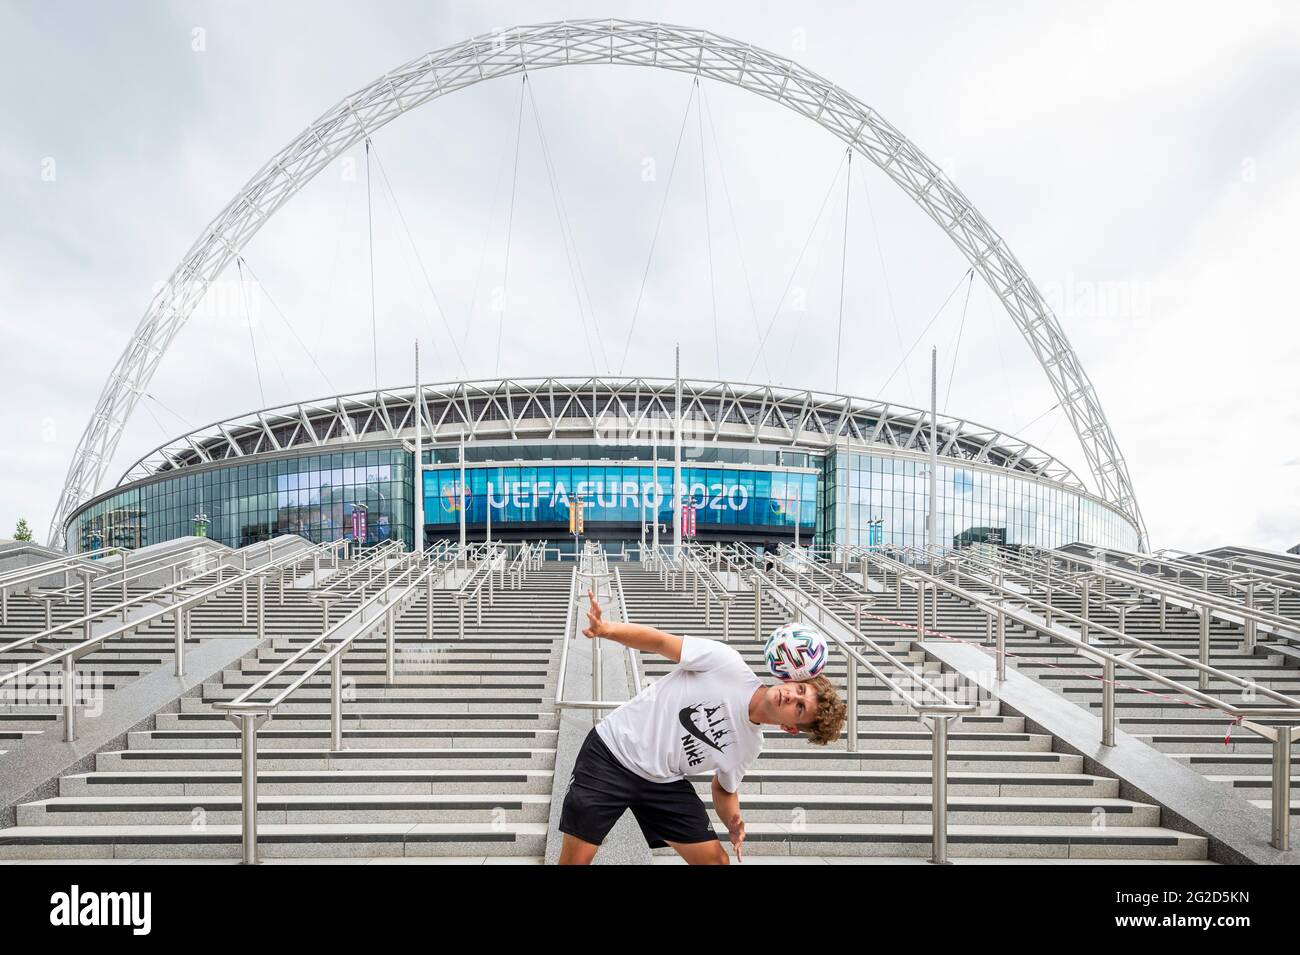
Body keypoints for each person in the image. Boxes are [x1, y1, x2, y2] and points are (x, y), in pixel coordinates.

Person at [557, 590, 846, 865]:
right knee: (575, 861)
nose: (791, 696)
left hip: (662, 783)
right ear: (791, 679)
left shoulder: (750, 746)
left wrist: (733, 821)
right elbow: (660, 642)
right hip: (611, 753)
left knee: (715, 861)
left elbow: (724, 789)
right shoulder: (727, 663)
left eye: (799, 708)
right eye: (799, 690)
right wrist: (607, 630)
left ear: (790, 727)